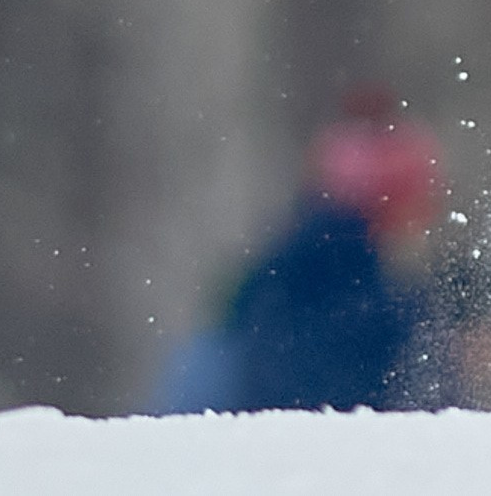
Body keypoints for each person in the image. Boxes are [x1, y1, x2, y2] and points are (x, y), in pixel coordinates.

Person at [152, 87, 457, 413]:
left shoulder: (285, 271)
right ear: (388, 205)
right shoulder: (348, 299)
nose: (428, 218)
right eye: (420, 202)